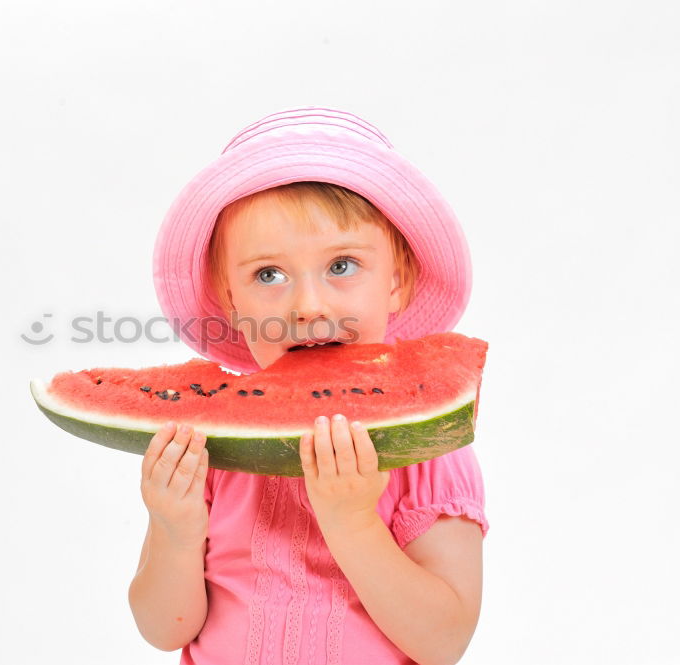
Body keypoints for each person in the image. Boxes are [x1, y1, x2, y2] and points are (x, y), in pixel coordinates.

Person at [129, 106, 489, 665]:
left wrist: (352, 522)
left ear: (396, 281)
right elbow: (163, 627)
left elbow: (444, 642)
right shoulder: (213, 445)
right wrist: (173, 530)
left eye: (342, 265)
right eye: (267, 275)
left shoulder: (427, 447)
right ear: (231, 301)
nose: (308, 306)